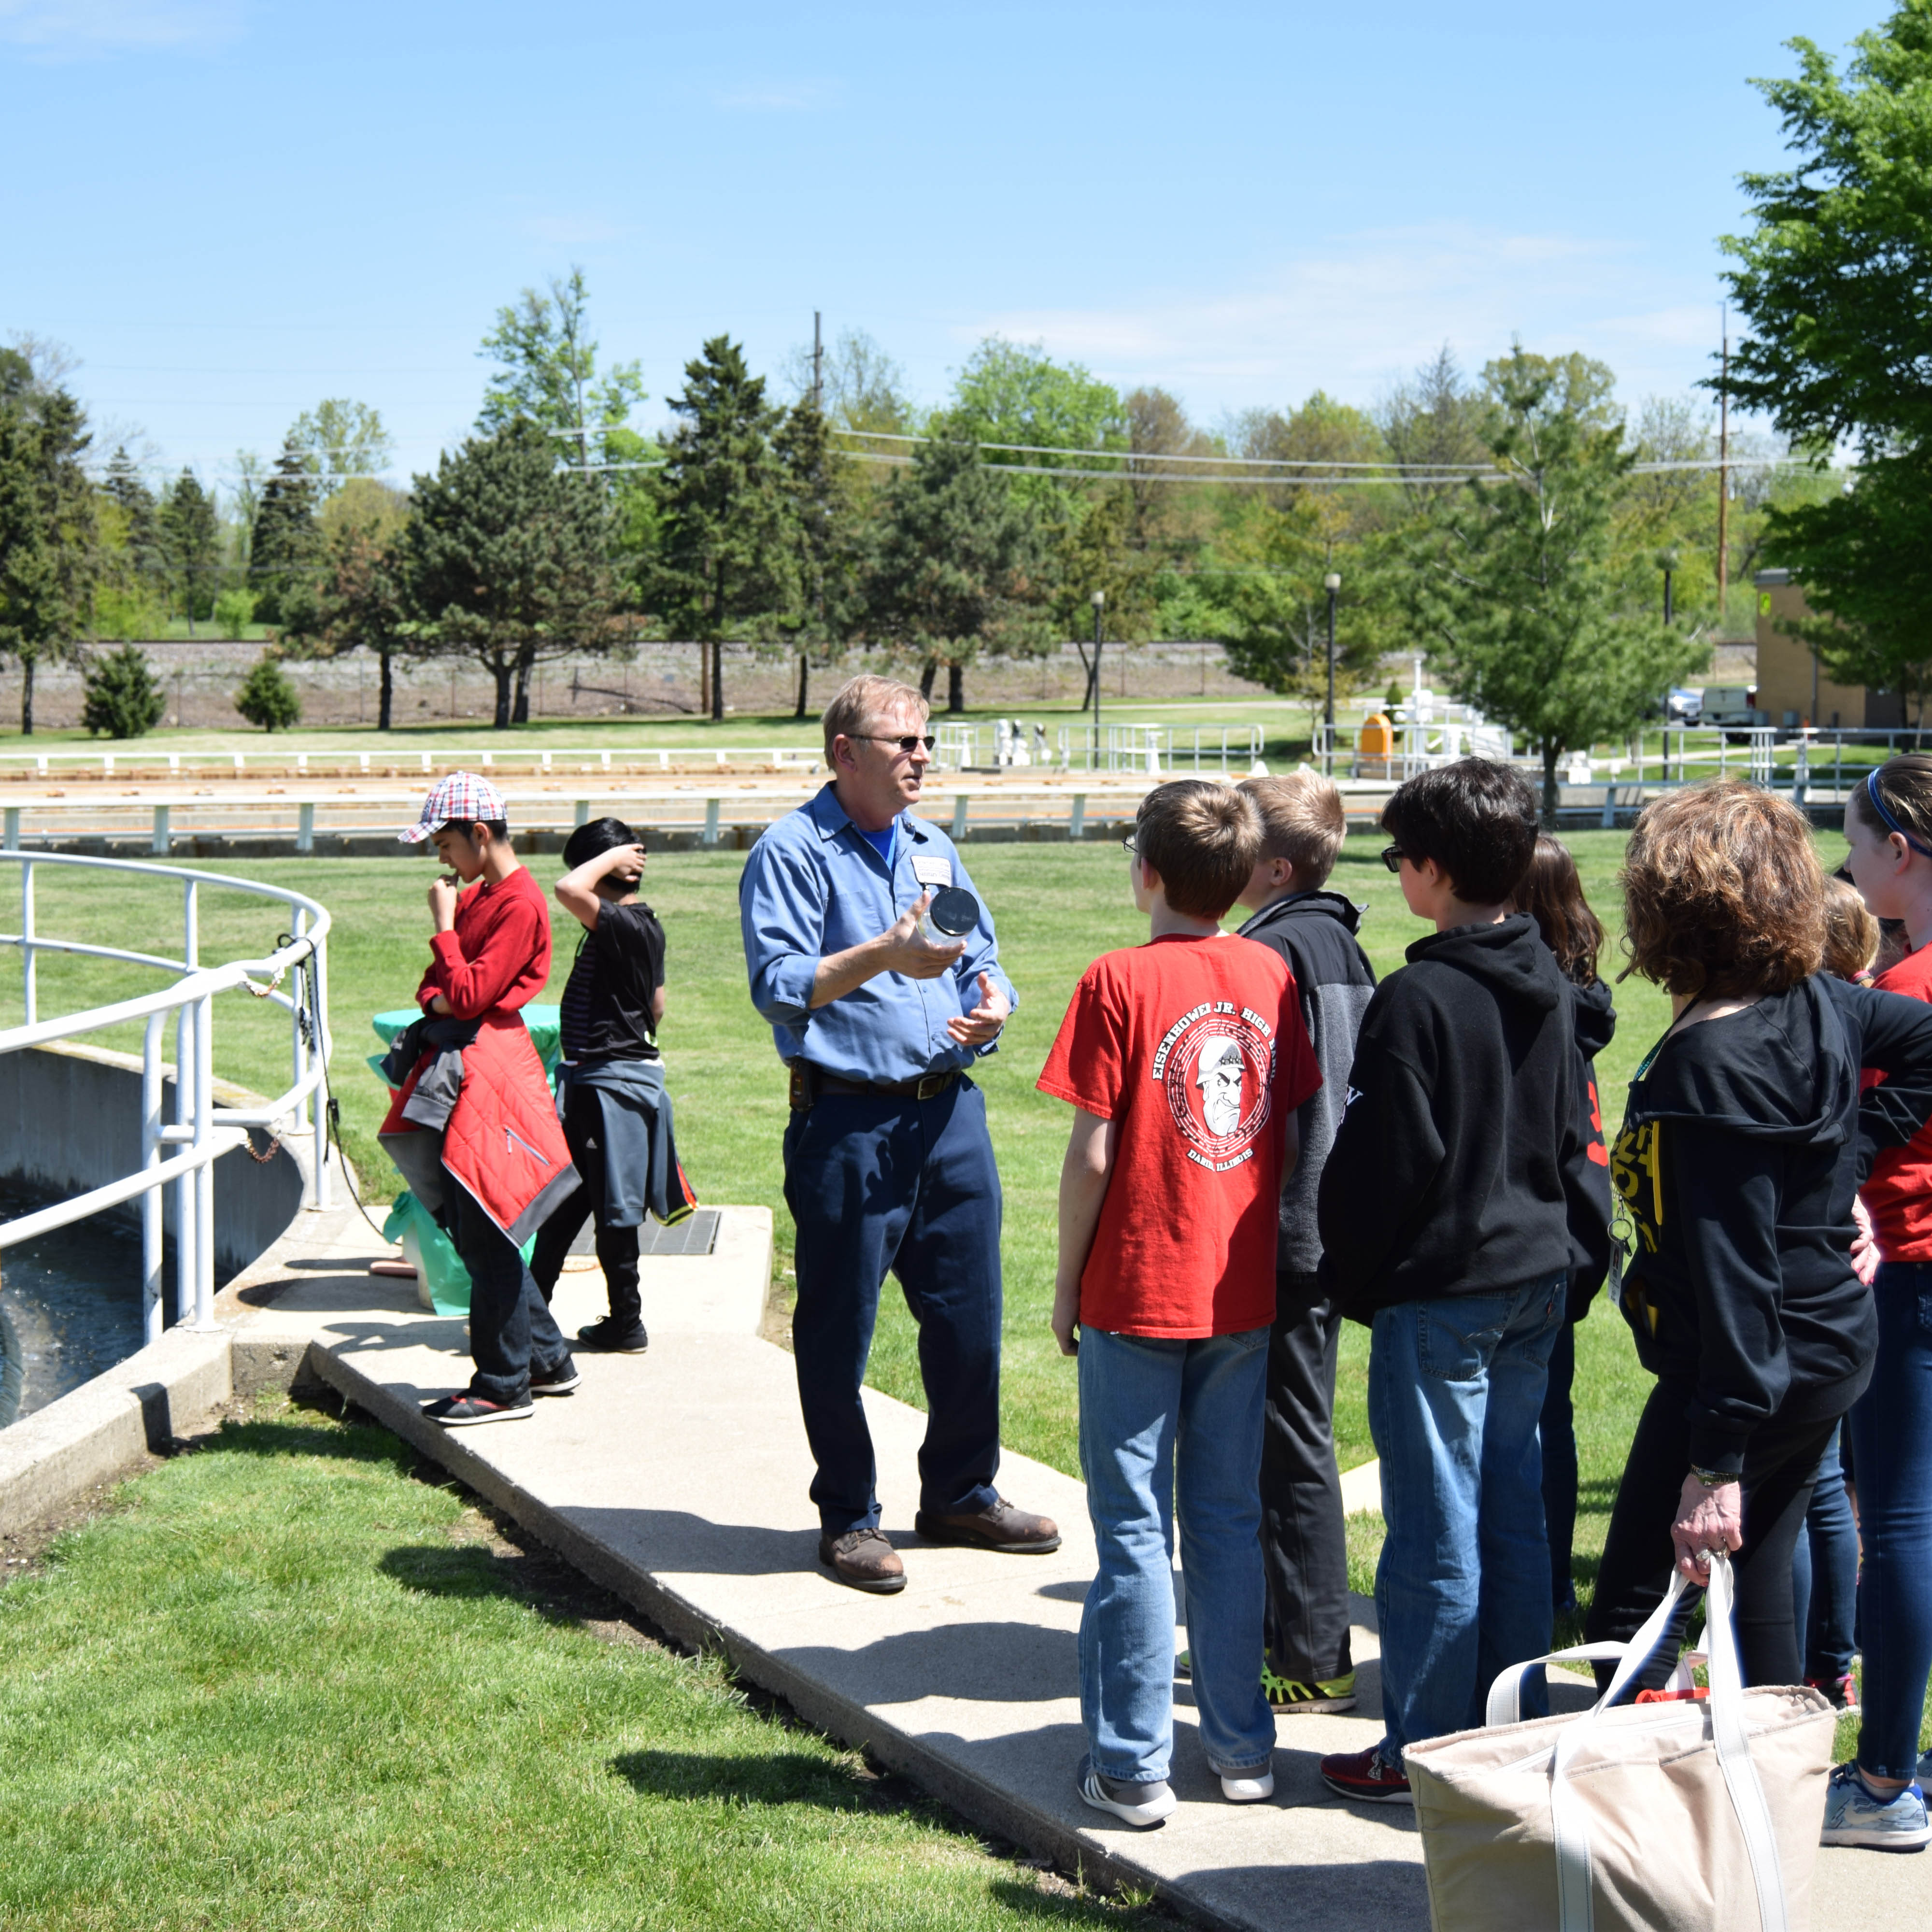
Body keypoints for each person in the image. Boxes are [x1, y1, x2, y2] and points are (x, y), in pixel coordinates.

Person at [1587, 784, 1914, 1746]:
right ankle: (1768, 1819)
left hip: (1746, 1373)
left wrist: (1712, 1465)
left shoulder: (1710, 1069)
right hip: (1820, 1352)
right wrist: (1842, 1165)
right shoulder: (1811, 1000)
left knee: (1626, 1616)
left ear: (1668, 908)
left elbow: (1735, 1290)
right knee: (1760, 1579)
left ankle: (1590, 1859)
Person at [1314, 759, 1603, 1806]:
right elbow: (1573, 1138)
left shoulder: (1419, 996)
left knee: (1435, 1532)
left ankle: (1426, 1752)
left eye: (1395, 857)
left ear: (1430, 869)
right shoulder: (1557, 983)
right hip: (1535, 1278)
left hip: (1445, 1292)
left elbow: (1379, 1165)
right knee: (1513, 1516)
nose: (1392, 872)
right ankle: (1516, 1734)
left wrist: (1347, 1267)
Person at [1039, 779, 1322, 1827]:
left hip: (1136, 1288)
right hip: (1238, 1287)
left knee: (1128, 1530)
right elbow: (1281, 1125)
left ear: (1144, 871)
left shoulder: (1114, 978)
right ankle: (1242, 1746)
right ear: (1246, 875)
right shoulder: (1268, 967)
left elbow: (1094, 1151)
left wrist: (1065, 1282)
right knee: (1223, 1519)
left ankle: (1129, 1761)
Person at [739, 675, 1058, 1594]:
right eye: (903, 742)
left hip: (949, 1112)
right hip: (847, 1117)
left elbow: (979, 956)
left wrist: (991, 1004)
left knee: (971, 1317)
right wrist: (884, 951)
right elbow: (780, 985)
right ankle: (847, 1517)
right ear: (846, 752)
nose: (922, 757)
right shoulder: (793, 852)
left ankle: (960, 1492)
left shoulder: (932, 846)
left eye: (927, 741)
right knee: (840, 1326)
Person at [1223, 770, 1375, 1717]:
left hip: (1289, 1234)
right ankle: (1277, 1631)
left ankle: (1313, 1656)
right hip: (1320, 1225)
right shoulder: (1339, 940)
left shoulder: (1275, 951)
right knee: (1276, 1439)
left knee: (1288, 1444)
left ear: (1274, 864)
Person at [380, 772, 581, 1428]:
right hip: (473, 1066)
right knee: (473, 1227)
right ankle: (548, 1361)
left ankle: (502, 1385)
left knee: (488, 1229)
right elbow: (432, 990)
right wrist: (447, 975)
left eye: (443, 842)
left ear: (480, 834)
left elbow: (462, 995)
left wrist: (443, 931)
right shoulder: (484, 898)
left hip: (490, 1076)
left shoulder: (517, 904)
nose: (440, 857)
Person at [1831, 757, 1932, 1849]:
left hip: (1905, 1267)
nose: (1851, 868)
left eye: (1858, 848)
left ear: (1898, 854)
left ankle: (1880, 1782)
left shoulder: (1897, 998)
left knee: (1899, 1521)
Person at [529, 817, 698, 1355]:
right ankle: (533, 1317)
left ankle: (625, 1323)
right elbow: (658, 1005)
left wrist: (619, 852)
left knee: (610, 1208)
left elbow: (567, 889)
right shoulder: (637, 927)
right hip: (599, 1083)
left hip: (609, 1088)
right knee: (570, 1204)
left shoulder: (623, 924)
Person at [1510, 833, 1617, 1620]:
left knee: (1529, 1434)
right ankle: (1544, 1592)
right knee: (1555, 1421)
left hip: (1539, 1239)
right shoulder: (1581, 996)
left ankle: (1534, 1593)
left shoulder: (1538, 1004)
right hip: (1577, 1238)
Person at [1785, 875, 1878, 1720]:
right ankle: (1834, 1663)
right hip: (1856, 1276)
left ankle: (1810, 1666)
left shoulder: (1825, 1020)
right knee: (1833, 1482)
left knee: (1813, 1484)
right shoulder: (1865, 1009)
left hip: (1826, 1272)